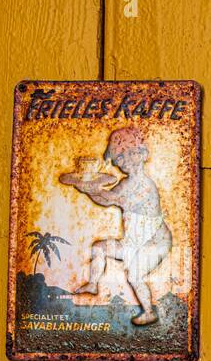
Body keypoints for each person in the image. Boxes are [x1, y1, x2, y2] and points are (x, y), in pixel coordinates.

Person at [70, 127, 171, 325]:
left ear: (142, 154)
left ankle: (148, 312)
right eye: (120, 157)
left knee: (134, 274)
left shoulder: (145, 185)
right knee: (99, 248)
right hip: (133, 242)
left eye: (130, 154)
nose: (125, 161)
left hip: (153, 243)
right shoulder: (127, 182)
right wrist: (88, 189)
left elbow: (116, 199)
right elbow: (106, 200)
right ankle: (92, 284)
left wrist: (90, 186)